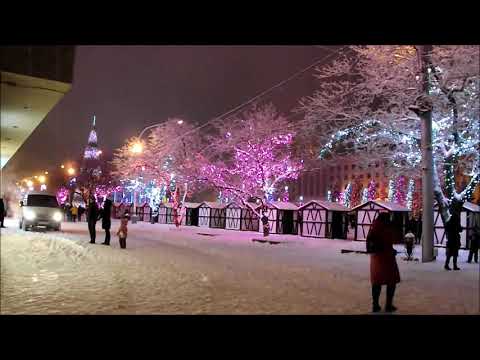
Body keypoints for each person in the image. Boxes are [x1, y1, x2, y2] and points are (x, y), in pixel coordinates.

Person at [366, 212, 401, 313]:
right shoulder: (386, 228)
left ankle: (375, 305)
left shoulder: (374, 226)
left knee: (377, 282)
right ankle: (388, 305)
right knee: (391, 281)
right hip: (387, 258)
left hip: (376, 258)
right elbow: (391, 240)